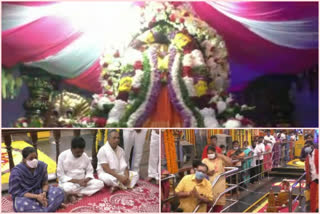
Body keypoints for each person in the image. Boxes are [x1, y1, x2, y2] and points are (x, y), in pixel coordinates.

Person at [9, 147, 64, 212]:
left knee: (59, 191)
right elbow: (17, 192)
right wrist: (37, 197)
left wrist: (44, 194)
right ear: (24, 159)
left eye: (36, 158)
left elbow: (45, 184)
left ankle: (41, 209)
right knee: (20, 205)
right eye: (31, 159)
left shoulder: (42, 166)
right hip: (26, 196)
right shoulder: (16, 173)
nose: (34, 160)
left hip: (40, 191)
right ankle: (50, 207)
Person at [57, 136, 104, 202]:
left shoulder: (84, 155)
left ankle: (74, 194)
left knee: (100, 184)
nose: (80, 154)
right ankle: (74, 193)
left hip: (83, 183)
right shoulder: (63, 156)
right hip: (69, 183)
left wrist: (86, 180)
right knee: (66, 188)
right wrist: (77, 181)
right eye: (77, 152)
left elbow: (90, 170)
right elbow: (61, 176)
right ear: (72, 148)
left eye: (81, 152)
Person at [202, 146, 232, 212]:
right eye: (208, 153)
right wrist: (207, 172)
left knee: (218, 208)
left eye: (211, 153)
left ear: (215, 152)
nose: (210, 155)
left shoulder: (220, 160)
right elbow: (200, 171)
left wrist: (221, 156)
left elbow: (230, 163)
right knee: (207, 208)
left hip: (219, 188)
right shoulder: (205, 161)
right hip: (208, 188)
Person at [304, 140, 318, 212]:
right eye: (305, 147)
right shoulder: (307, 157)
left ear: (312, 146)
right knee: (312, 198)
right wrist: (307, 182)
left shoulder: (318, 153)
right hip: (313, 180)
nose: (306, 148)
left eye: (307, 146)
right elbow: (306, 170)